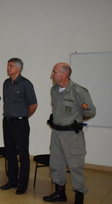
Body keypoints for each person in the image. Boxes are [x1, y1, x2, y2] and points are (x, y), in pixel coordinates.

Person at [43, 63, 96, 204]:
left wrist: (76, 120)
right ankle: (60, 193)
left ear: (64, 74)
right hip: (56, 133)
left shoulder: (78, 91)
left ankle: (79, 197)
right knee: (56, 164)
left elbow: (90, 111)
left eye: (54, 72)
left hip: (72, 135)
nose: (51, 75)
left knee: (75, 166)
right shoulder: (54, 90)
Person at [0, 58, 38, 195]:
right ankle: (12, 181)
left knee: (22, 154)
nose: (8, 68)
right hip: (7, 122)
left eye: (11, 66)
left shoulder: (25, 84)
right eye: (8, 65)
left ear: (19, 68)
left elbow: (33, 104)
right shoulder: (6, 83)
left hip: (20, 123)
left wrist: (23, 117)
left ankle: (23, 184)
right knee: (10, 153)